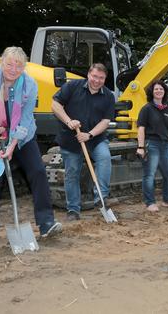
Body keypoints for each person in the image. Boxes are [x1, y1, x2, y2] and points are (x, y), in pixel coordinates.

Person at [0, 46, 61, 245]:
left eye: (18, 65)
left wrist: (11, 147)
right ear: (1, 62)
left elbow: (26, 120)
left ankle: (46, 223)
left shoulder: (29, 84)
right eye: (9, 64)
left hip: (22, 135)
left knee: (37, 171)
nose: (13, 68)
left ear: (23, 68)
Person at [51, 63, 116, 221]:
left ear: (105, 79)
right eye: (94, 76)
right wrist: (69, 121)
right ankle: (73, 209)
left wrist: (90, 135)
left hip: (95, 139)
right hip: (71, 139)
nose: (97, 80)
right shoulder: (73, 86)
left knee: (104, 158)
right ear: (88, 74)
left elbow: (106, 121)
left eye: (101, 78)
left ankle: (101, 198)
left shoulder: (108, 96)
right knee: (72, 172)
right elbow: (55, 104)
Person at [136, 80, 168, 212]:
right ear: (152, 92)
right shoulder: (147, 109)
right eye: (156, 89)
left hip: (166, 146)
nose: (159, 91)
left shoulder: (167, 109)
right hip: (152, 145)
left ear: (164, 92)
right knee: (149, 174)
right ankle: (149, 202)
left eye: (161, 89)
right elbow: (141, 128)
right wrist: (140, 147)